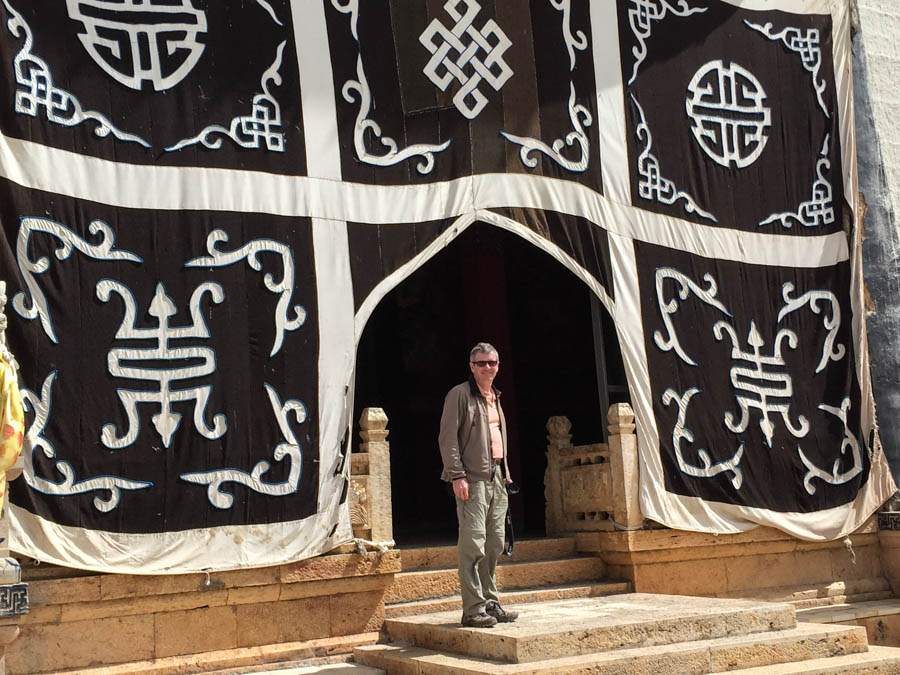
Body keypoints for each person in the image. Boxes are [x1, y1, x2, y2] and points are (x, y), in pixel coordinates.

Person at [439, 342, 518, 628]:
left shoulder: (495, 396)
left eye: (492, 362)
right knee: (473, 544)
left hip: (498, 477)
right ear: (472, 367)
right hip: (471, 478)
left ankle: (490, 602)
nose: (487, 367)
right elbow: (447, 438)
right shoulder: (460, 394)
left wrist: (506, 476)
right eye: (481, 363)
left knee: (495, 542)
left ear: (498, 366)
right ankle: (473, 609)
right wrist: (457, 475)